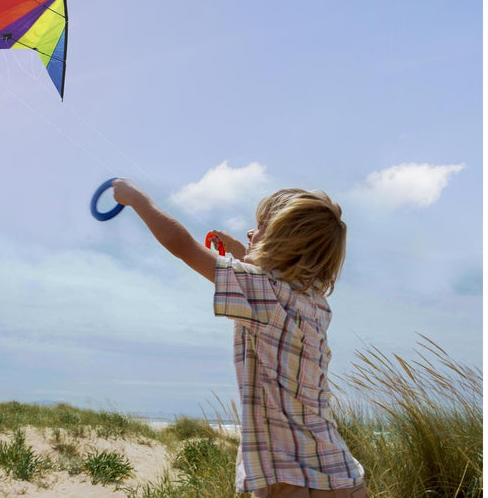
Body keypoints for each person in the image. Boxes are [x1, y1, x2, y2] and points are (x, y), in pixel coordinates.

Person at [111, 179, 368, 498]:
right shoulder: (314, 301)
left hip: (295, 480)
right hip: (341, 474)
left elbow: (183, 245)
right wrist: (239, 250)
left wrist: (137, 199)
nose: (250, 232)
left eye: (260, 226)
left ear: (283, 241)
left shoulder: (262, 293)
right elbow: (275, 283)